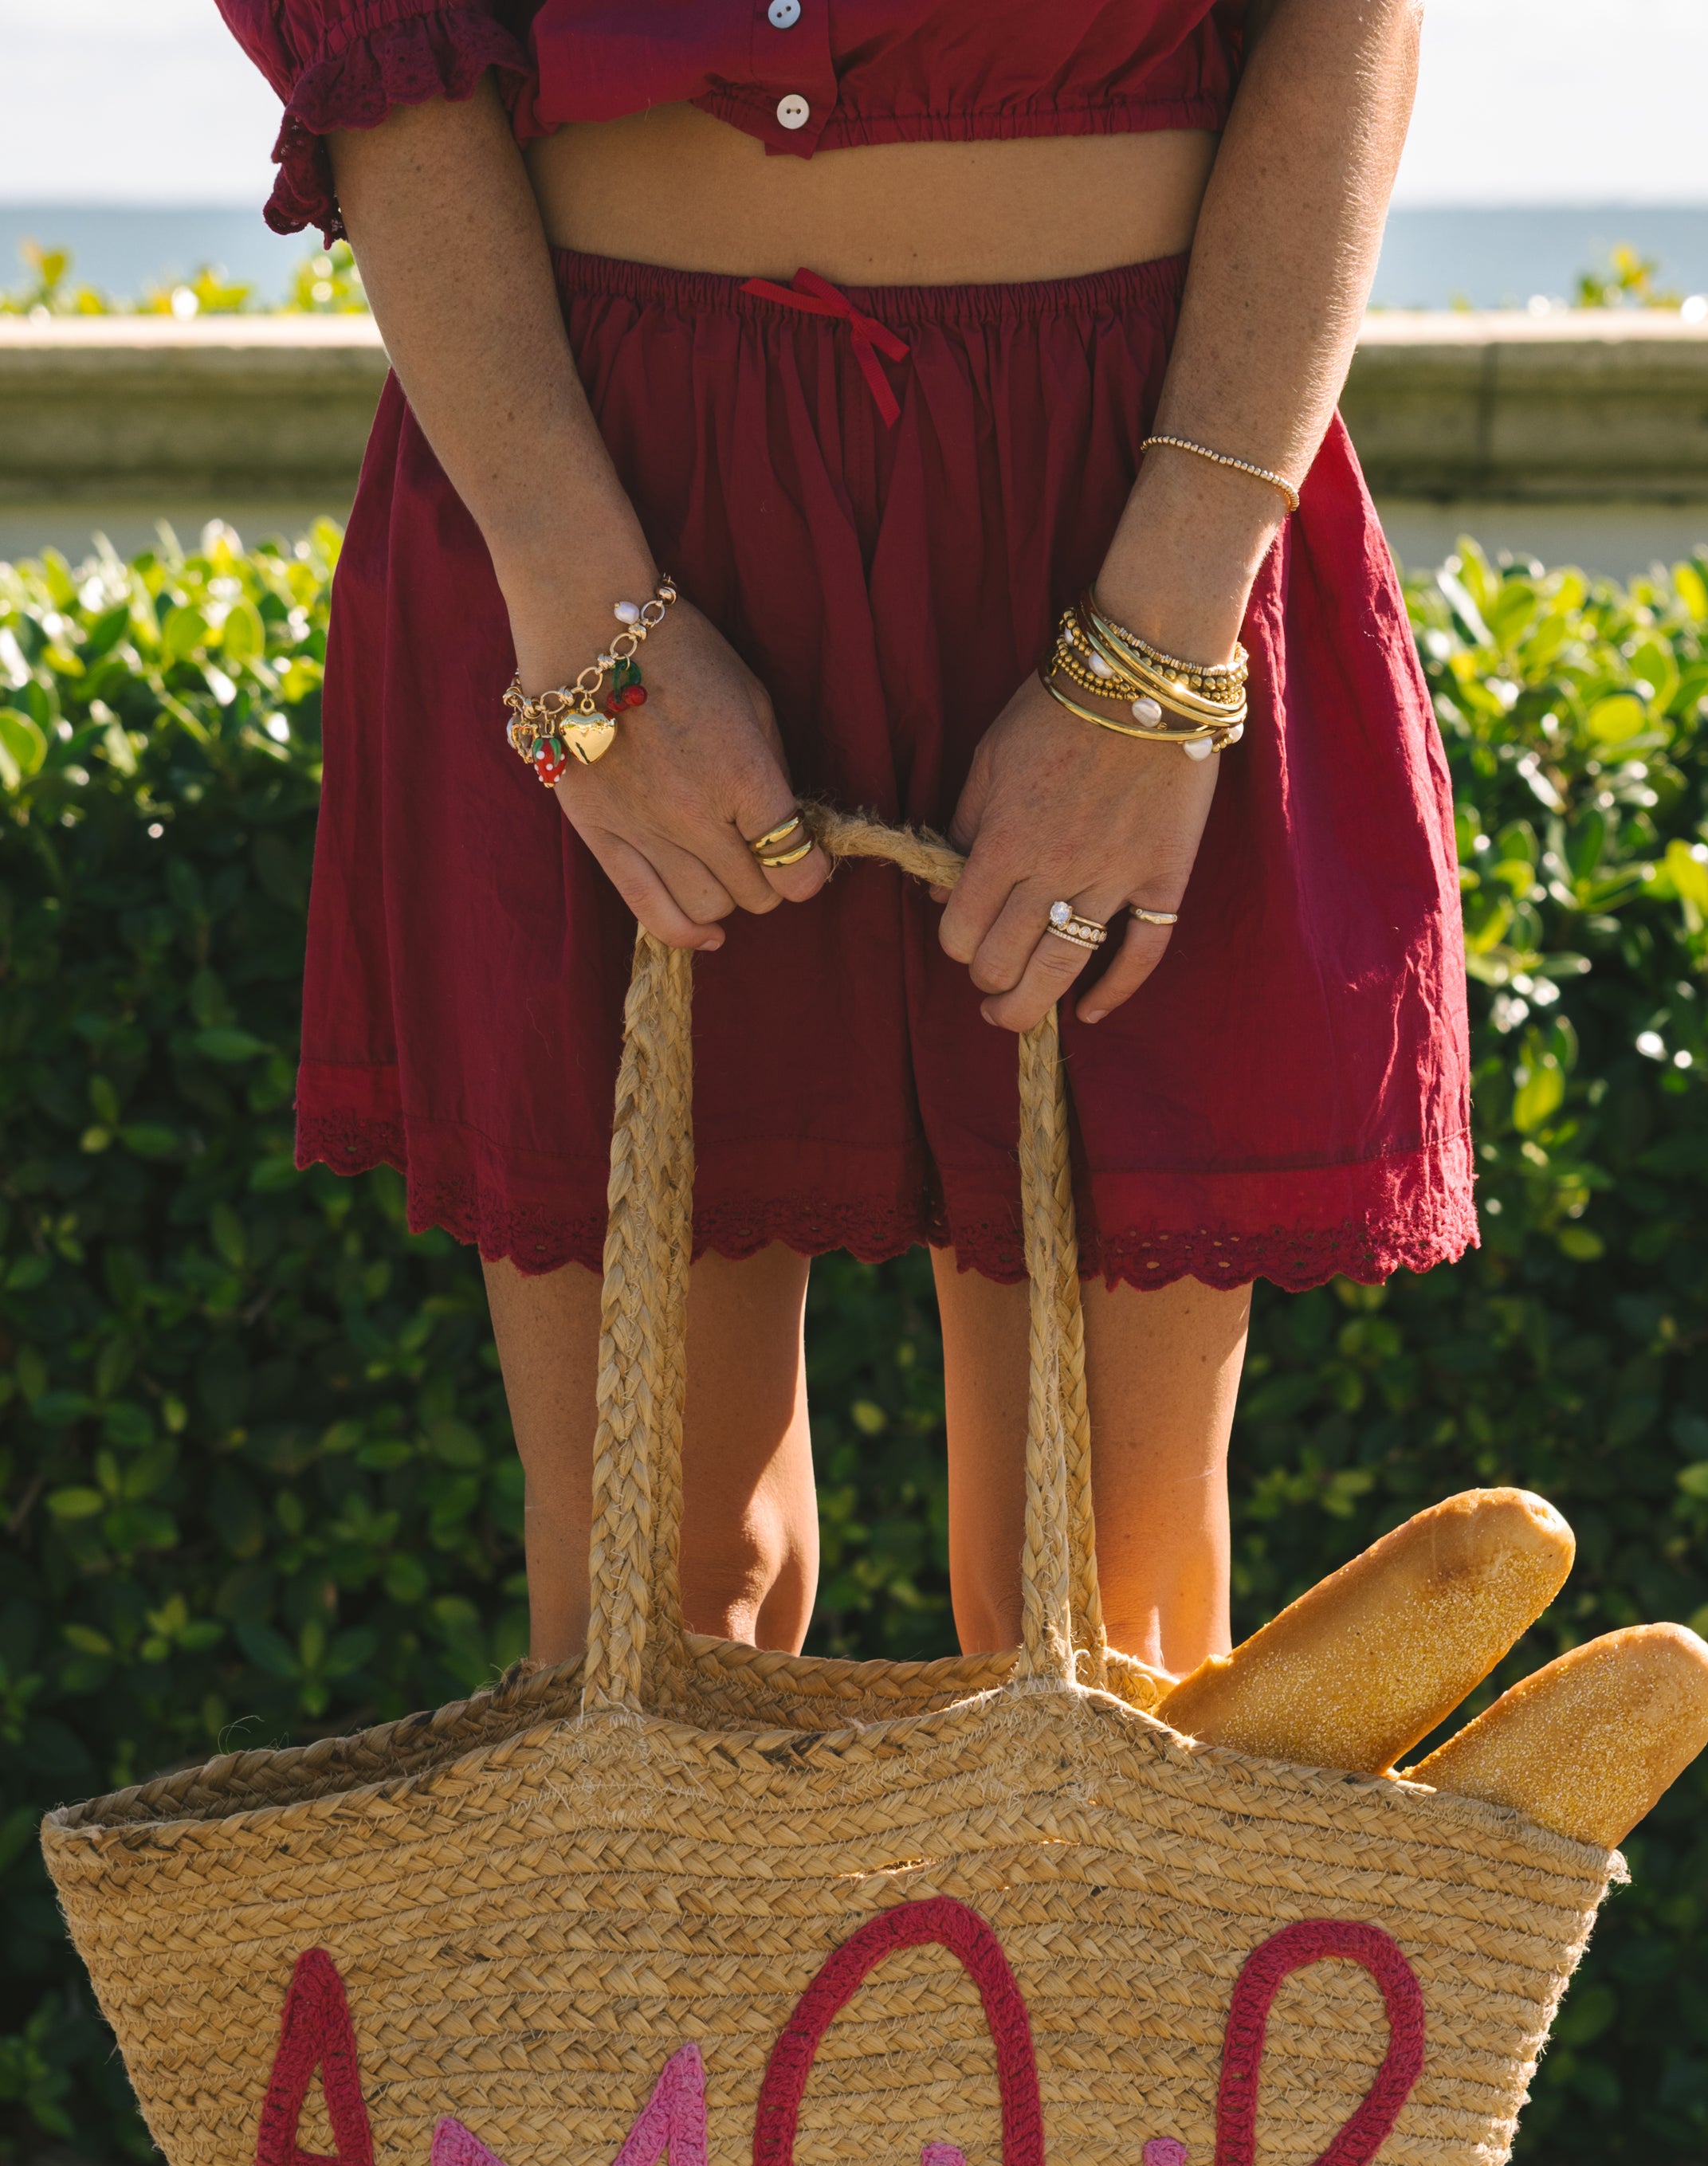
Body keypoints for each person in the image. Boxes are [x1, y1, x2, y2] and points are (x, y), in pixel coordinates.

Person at [211, 0, 1465, 1681]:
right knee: (649, 1618)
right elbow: (383, 47)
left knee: (1099, 1628)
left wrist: (1157, 643)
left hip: (1120, 478)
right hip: (589, 479)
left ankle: (1093, 1964)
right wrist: (592, 618)